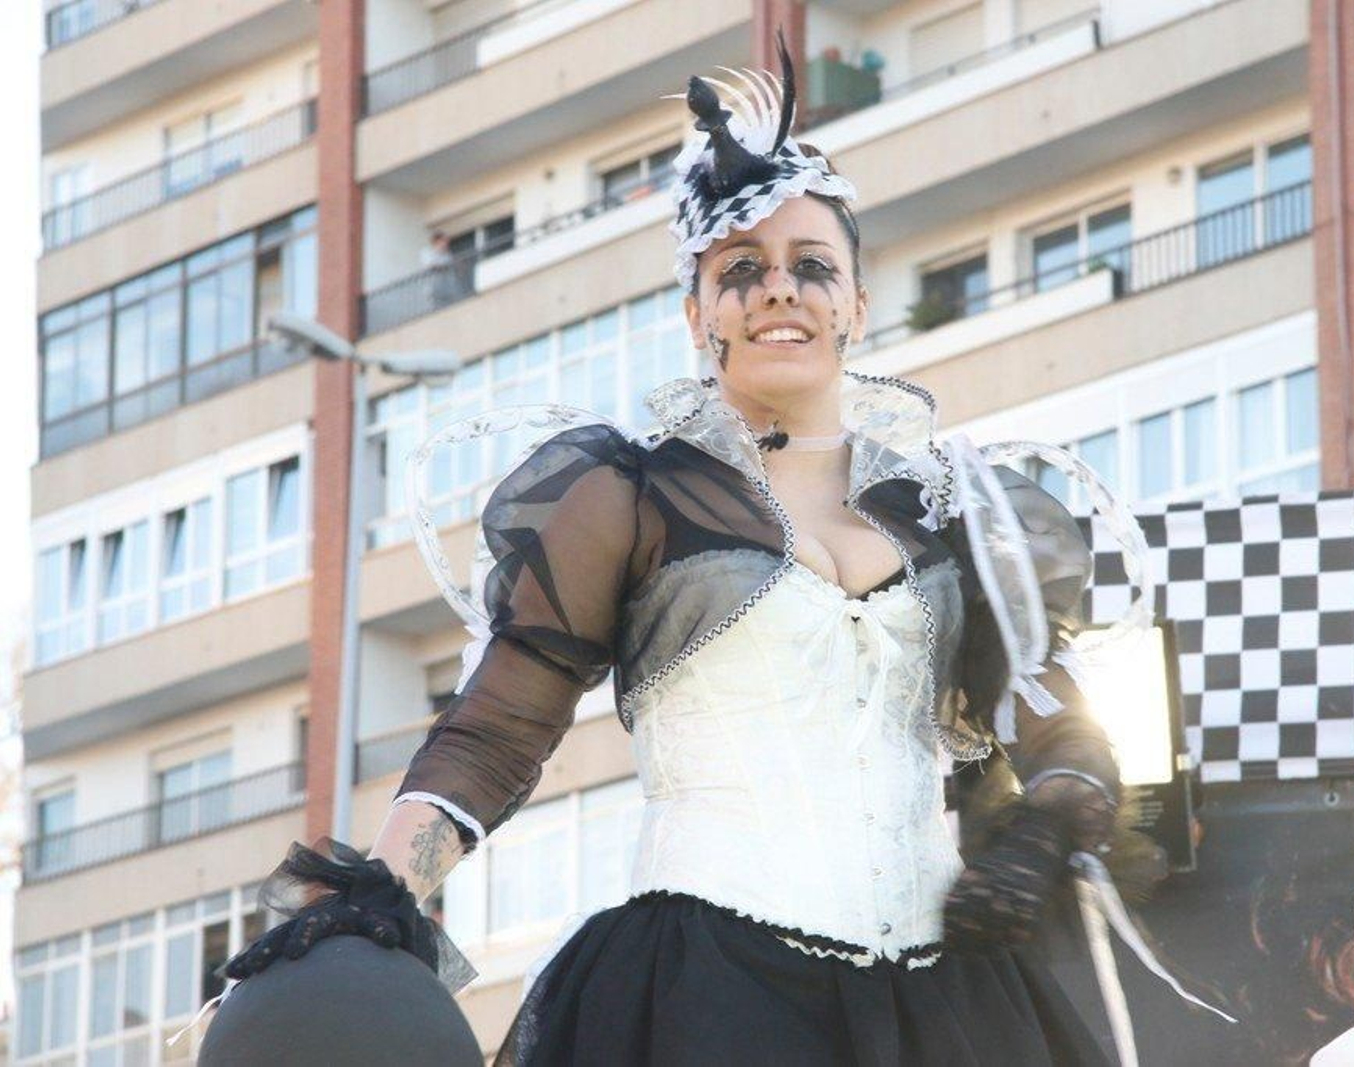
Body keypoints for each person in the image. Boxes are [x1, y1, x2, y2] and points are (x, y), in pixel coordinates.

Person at [223, 40, 1132, 1065]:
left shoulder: (955, 512)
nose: (778, 289)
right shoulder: (629, 494)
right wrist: (377, 894)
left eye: (812, 266)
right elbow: (497, 728)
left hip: (944, 1007)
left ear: (856, 305)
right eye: (740, 270)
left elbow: (1065, 726)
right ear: (696, 313)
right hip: (709, 990)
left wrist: (1047, 824)